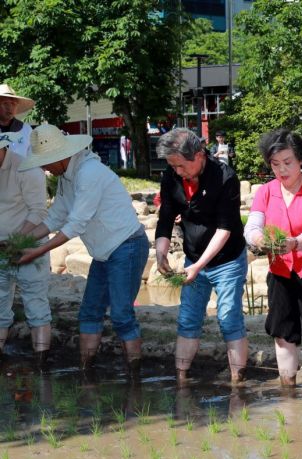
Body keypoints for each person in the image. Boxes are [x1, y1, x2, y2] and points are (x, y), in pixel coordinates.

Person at [17, 124, 149, 378]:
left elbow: (75, 224)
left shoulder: (89, 173)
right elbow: (56, 217)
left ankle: (135, 377)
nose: (44, 169)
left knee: (121, 314)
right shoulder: (66, 176)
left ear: (60, 157)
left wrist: (34, 252)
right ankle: (86, 372)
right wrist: (20, 241)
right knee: (89, 312)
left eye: (45, 163)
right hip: (103, 252)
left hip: (126, 245)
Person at [244, 129, 302, 390]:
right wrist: (256, 238)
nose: (281, 169)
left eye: (287, 162)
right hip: (280, 271)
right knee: (283, 334)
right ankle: (288, 390)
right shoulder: (265, 192)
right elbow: (252, 226)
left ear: (301, 161)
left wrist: (296, 242)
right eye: (275, 164)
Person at [155, 128, 248, 385]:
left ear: (198, 155)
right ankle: (181, 381)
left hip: (227, 259)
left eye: (181, 165)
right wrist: (160, 252)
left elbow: (225, 228)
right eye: (172, 166)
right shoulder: (171, 177)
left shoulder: (224, 176)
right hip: (192, 256)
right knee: (188, 318)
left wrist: (198, 266)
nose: (177, 171)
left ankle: (237, 383)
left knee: (228, 318)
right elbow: (165, 217)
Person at [0, 132, 51, 368]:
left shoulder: (27, 170)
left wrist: (17, 242)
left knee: (36, 306)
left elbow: (39, 212)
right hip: (1, 250)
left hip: (30, 248)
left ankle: (42, 365)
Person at [0, 84, 34, 157]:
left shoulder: (26, 129)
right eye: (5, 103)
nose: (9, 107)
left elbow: (32, 156)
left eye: (13, 104)